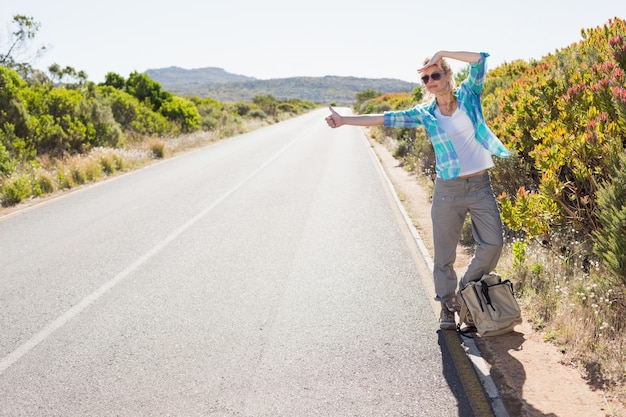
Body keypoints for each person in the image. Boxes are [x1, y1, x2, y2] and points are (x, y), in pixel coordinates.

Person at [325, 51, 510, 330]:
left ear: (448, 74)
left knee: (493, 244)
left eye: (436, 74)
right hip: (448, 190)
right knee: (444, 254)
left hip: (480, 186)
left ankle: (464, 293)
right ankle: (447, 307)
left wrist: (444, 52)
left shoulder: (470, 95)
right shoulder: (425, 114)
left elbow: (480, 60)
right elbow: (385, 118)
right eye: (426, 78)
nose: (431, 81)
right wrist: (345, 120)